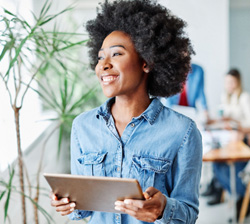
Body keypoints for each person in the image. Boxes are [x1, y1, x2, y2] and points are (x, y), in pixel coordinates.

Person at [50, 0, 203, 223]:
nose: (103, 65)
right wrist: (67, 204)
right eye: (101, 56)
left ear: (147, 63)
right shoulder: (83, 126)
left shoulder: (183, 132)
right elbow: (81, 210)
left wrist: (162, 209)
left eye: (117, 54)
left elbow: (189, 213)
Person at [210, 69, 250, 218]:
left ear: (238, 82)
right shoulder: (225, 97)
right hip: (229, 138)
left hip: (243, 140)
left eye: (232, 82)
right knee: (217, 164)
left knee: (234, 170)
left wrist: (237, 126)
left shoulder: (244, 98)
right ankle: (239, 194)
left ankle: (243, 196)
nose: (229, 85)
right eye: (227, 82)